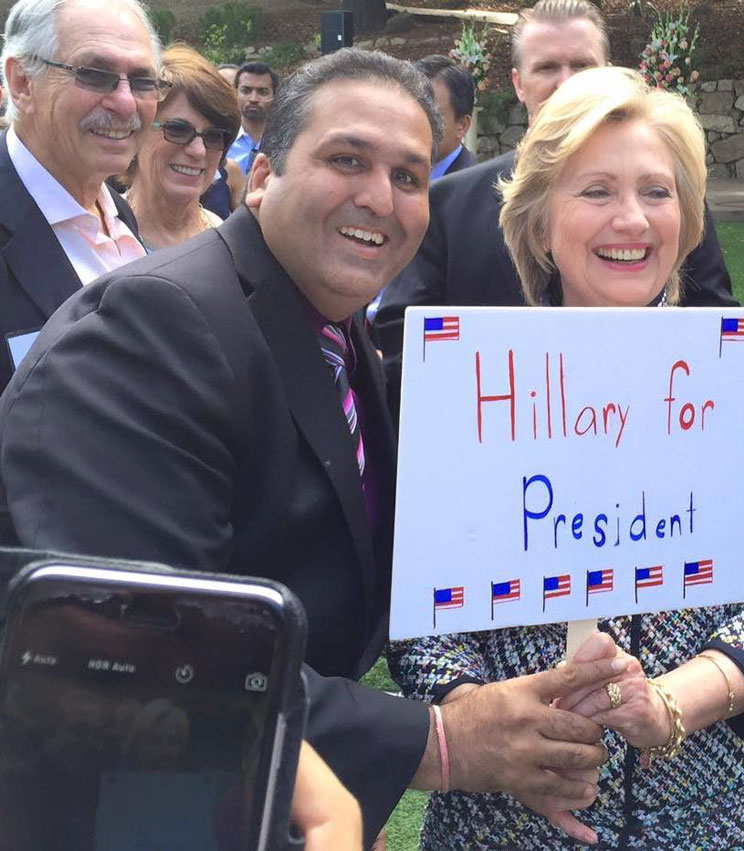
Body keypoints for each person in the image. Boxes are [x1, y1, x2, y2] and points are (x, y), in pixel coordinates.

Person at [0, 48, 632, 846]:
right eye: (346, 160)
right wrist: (439, 740)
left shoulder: (333, 321)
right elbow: (144, 643)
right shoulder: (153, 328)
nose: (381, 196)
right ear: (259, 175)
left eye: (409, 176)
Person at [389, 65, 744, 849]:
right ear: (538, 222)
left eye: (657, 192)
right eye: (595, 190)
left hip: (726, 812)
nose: (631, 219)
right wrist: (485, 718)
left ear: (688, 218)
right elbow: (422, 613)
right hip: (509, 816)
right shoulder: (471, 380)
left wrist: (672, 701)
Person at [374, 0, 738, 423]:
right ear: (518, 83)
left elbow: (714, 324)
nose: (565, 83)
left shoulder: (668, 202)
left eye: (582, 67)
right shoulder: (448, 204)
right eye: (547, 67)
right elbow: (404, 343)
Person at [0, 0, 162, 393]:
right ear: (22, 83)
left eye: (142, 81)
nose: (126, 103)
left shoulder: (120, 215)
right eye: (94, 74)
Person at [123, 44, 240, 250]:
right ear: (136, 130)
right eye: (178, 129)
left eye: (214, 136)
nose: (199, 151)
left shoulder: (229, 246)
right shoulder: (102, 240)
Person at [414, 55, 477, 179]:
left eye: (431, 114)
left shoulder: (472, 189)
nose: (418, 122)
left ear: (462, 126)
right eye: (413, 110)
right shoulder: (393, 173)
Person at [227, 60, 277, 175]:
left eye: (263, 92)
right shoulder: (221, 141)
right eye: (246, 91)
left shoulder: (285, 144)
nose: (253, 99)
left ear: (275, 96)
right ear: (235, 93)